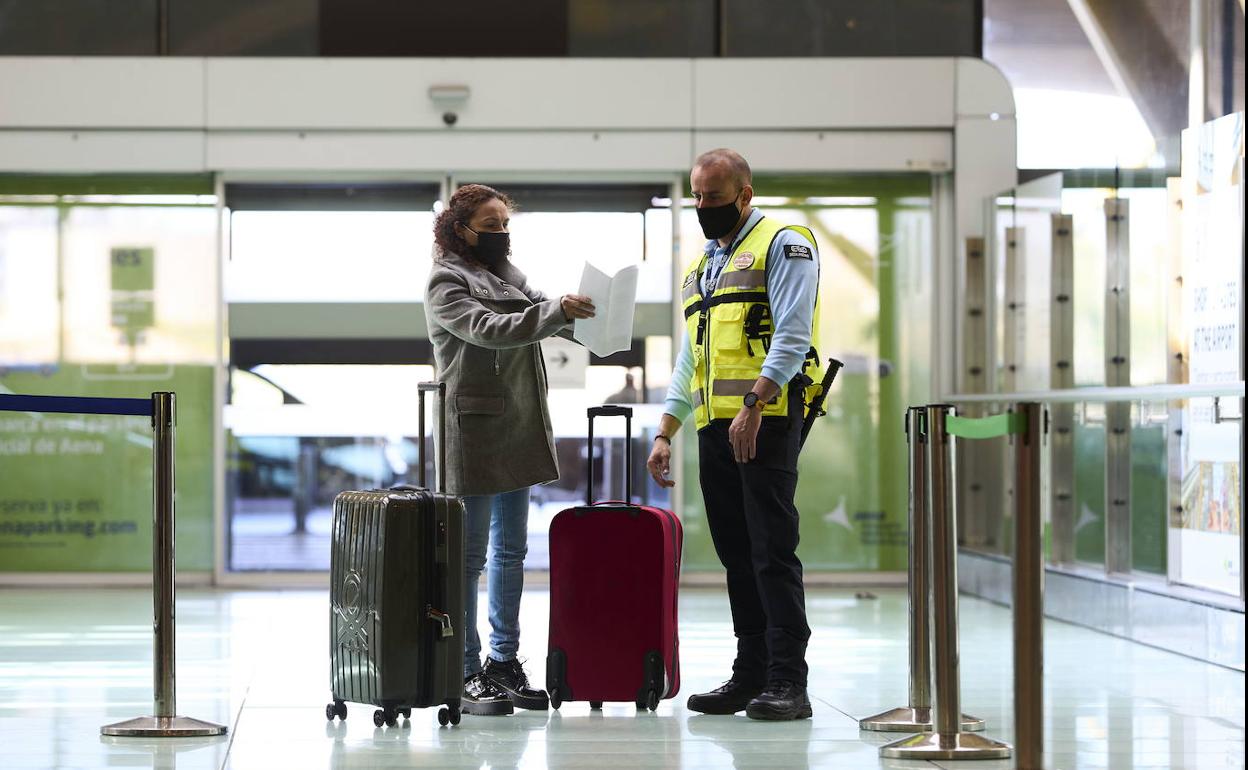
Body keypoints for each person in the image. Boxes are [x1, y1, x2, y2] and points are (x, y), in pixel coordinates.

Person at [645, 149, 825, 721]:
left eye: (714, 197)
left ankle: (787, 681)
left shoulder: (784, 243)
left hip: (765, 420)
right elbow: (689, 356)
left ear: (745, 194)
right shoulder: (704, 266)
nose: (702, 207)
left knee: (772, 549)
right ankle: (749, 676)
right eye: (696, 196)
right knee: (735, 552)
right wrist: (666, 430)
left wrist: (756, 402)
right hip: (714, 425)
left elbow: (793, 333)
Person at [426, 183, 595, 716]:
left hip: (518, 427)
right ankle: (466, 668)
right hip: (473, 430)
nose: (501, 234)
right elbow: (489, 329)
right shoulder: (446, 280)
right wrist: (556, 314)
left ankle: (504, 662)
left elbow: (543, 313)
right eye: (490, 225)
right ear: (461, 230)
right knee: (470, 557)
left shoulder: (512, 279)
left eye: (505, 225)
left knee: (511, 553)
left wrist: (582, 314)